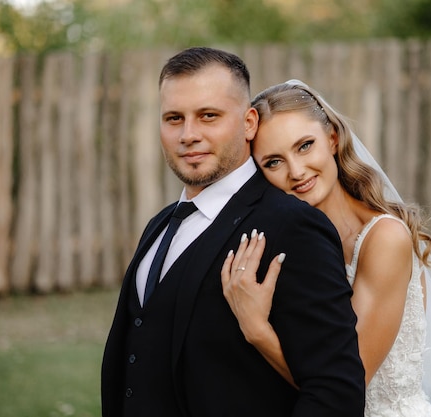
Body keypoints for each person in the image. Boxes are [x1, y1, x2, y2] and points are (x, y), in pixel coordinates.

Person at [101, 49, 365, 417]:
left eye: (209, 116)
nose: (188, 135)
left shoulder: (292, 226)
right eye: (174, 118)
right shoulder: (160, 224)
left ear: (249, 122)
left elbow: (335, 392)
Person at [221, 80, 431, 417]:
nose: (296, 172)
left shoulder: (384, 239)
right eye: (273, 162)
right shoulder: (284, 246)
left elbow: (346, 380)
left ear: (332, 139)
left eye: (305, 146)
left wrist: (257, 330)